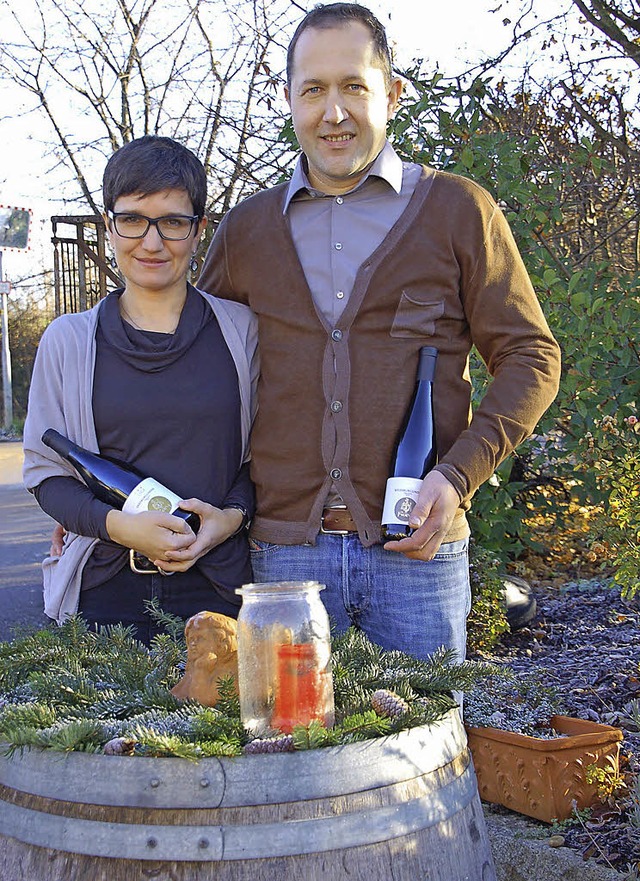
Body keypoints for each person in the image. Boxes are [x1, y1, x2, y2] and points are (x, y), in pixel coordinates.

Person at [196, 2, 561, 663]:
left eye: (353, 87)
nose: (333, 113)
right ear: (289, 100)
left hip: (419, 552)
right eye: (313, 90)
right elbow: (191, 369)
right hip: (286, 561)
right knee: (294, 755)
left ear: (391, 94)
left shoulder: (457, 210)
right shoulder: (246, 233)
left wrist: (455, 476)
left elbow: (532, 357)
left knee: (423, 755)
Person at [23, 136, 259, 645]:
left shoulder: (241, 332)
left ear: (198, 231)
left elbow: (265, 458)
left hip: (222, 591)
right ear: (109, 226)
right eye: (132, 219)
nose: (151, 243)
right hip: (105, 593)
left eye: (173, 222)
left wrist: (230, 519)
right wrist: (117, 526)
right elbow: (47, 474)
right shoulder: (67, 342)